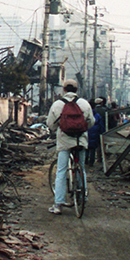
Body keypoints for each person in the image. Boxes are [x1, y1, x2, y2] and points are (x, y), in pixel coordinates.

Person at [46, 79, 94, 215]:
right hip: (80, 140)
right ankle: (83, 196)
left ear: (64, 89)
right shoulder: (84, 104)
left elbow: (51, 124)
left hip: (64, 141)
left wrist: (59, 130)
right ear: (76, 90)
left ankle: (58, 205)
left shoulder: (57, 104)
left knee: (61, 171)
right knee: (82, 168)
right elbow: (91, 122)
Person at [86, 102, 103, 167]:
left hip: (87, 132)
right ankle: (91, 162)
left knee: (86, 147)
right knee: (93, 149)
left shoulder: (86, 114)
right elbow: (101, 126)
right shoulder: (97, 116)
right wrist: (102, 133)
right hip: (95, 133)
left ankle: (86, 160)